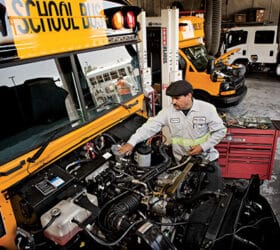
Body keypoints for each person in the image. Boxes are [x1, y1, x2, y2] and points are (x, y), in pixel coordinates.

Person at [118, 80, 227, 191]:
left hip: (206, 161)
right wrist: (131, 142)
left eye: (177, 98)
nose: (173, 102)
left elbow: (220, 131)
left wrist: (203, 147)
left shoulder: (207, 109)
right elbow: (149, 127)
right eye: (172, 98)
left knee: (213, 193)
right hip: (181, 163)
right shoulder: (168, 112)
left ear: (189, 96)